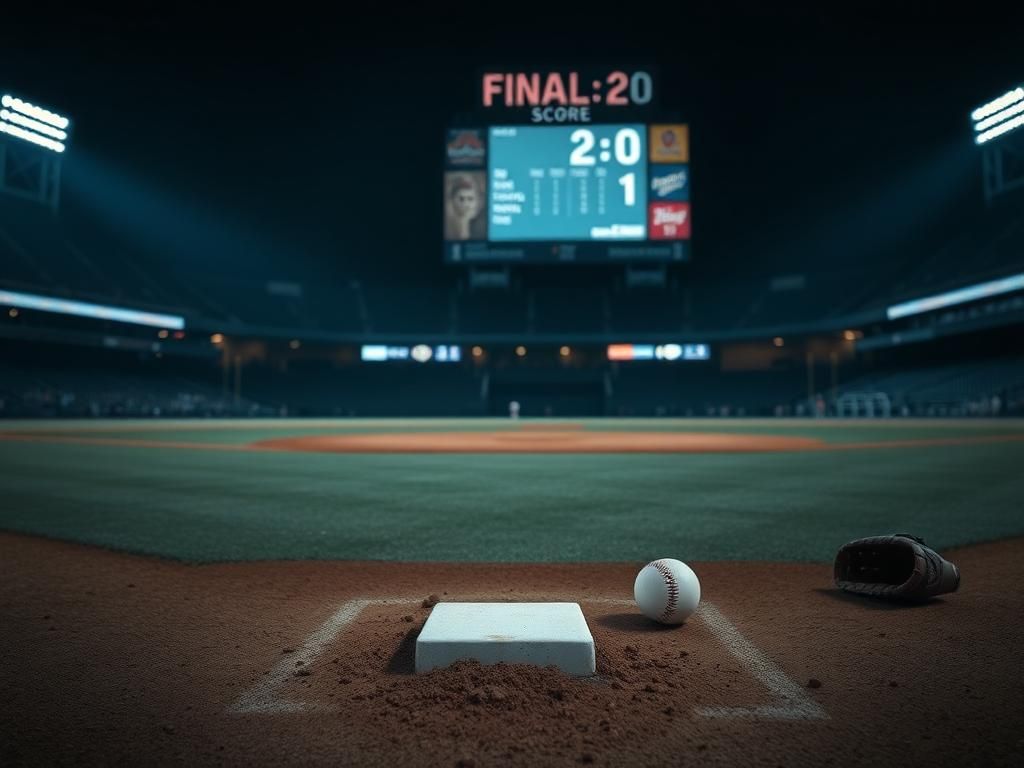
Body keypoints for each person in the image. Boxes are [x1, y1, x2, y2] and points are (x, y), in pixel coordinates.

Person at [444, 173, 485, 240]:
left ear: (477, 202)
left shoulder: (482, 228)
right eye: (461, 199)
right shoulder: (447, 226)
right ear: (452, 201)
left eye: (470, 199)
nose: (466, 204)